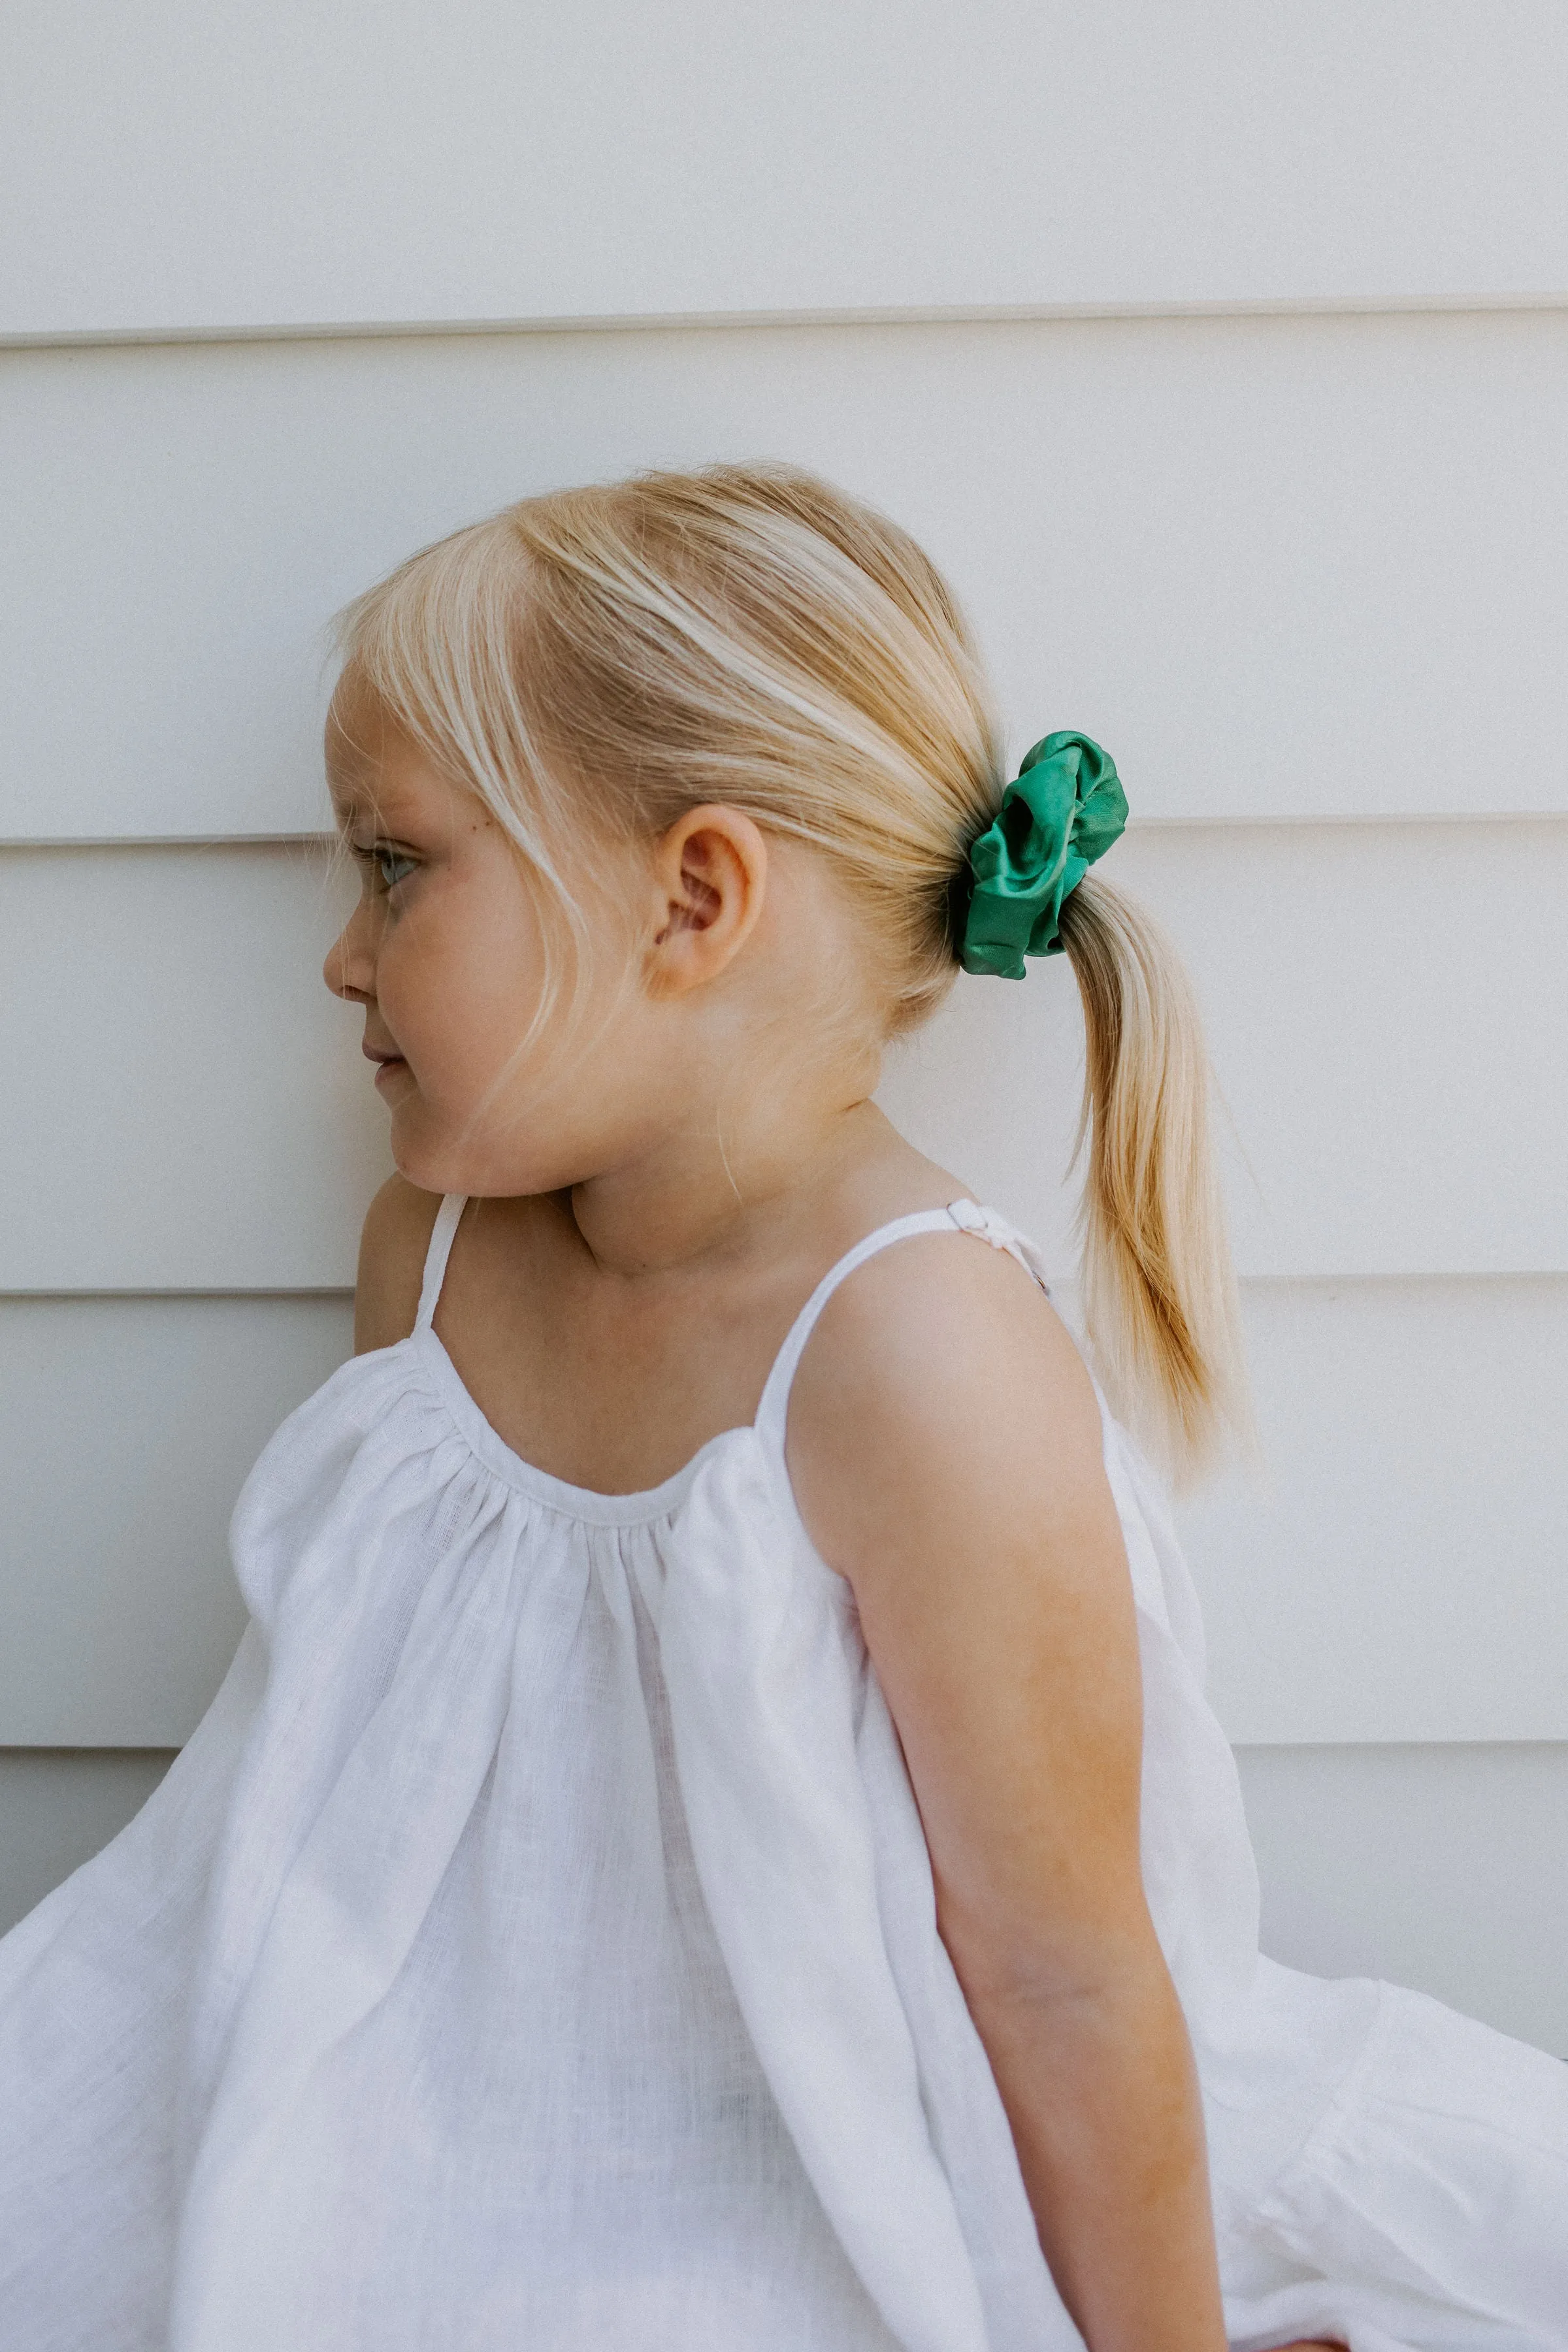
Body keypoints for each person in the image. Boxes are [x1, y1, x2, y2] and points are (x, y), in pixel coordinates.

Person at [1, 464, 1563, 2352]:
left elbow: (1063, 1976)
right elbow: (365, 1775)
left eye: (397, 865)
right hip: (443, 2081)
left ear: (696, 897)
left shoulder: (911, 1356)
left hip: (847, 2116)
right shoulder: (431, 1255)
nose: (343, 954)